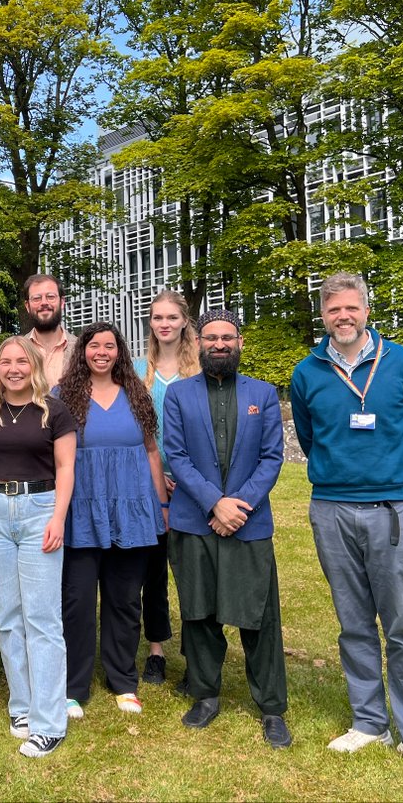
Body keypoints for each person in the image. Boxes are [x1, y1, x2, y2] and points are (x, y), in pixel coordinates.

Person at [290, 272, 403, 790]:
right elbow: (311, 437)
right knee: (353, 621)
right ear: (324, 315)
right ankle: (369, 723)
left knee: (402, 626)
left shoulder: (402, 362)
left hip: (394, 509)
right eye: (334, 310)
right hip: (332, 510)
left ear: (366, 310)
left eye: (351, 308)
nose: (343, 317)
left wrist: (390, 474)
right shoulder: (307, 372)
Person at [162, 309, 291, 748]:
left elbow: (272, 456)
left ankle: (272, 707)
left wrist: (239, 506)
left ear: (240, 342)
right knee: (198, 612)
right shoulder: (179, 395)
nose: (219, 344)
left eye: (227, 338)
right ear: (197, 343)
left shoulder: (264, 394)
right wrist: (214, 503)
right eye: (211, 337)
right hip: (194, 521)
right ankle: (205, 696)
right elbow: (175, 456)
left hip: (248, 524)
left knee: (259, 617)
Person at [0, 336, 76, 758]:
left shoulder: (56, 411)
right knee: (7, 614)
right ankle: (23, 706)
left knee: (42, 617)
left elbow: (66, 467)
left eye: (21, 362)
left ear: (34, 365)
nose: (13, 368)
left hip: (39, 509)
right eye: (5, 362)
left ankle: (50, 723)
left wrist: (58, 518)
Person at [56, 322, 167, 718]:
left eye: (109, 345)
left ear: (119, 351)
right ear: (81, 351)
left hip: (132, 510)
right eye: (93, 345)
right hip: (81, 510)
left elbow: (152, 451)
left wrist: (162, 504)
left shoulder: (137, 394)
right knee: (77, 601)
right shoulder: (62, 397)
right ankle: (73, 686)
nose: (101, 352)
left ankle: (123, 681)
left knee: (124, 601)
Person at [133, 289, 201, 685]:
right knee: (153, 573)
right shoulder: (139, 371)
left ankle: (197, 653)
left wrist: (185, 479)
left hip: (193, 487)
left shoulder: (198, 372)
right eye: (157, 317)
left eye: (171, 317)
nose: (164, 324)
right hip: (147, 486)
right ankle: (156, 651)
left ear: (184, 322)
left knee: (192, 574)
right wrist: (159, 482)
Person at [23, 273, 76, 387]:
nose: (44, 303)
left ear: (62, 302)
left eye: (50, 297)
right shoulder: (18, 349)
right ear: (27, 306)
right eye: (37, 298)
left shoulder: (81, 349)